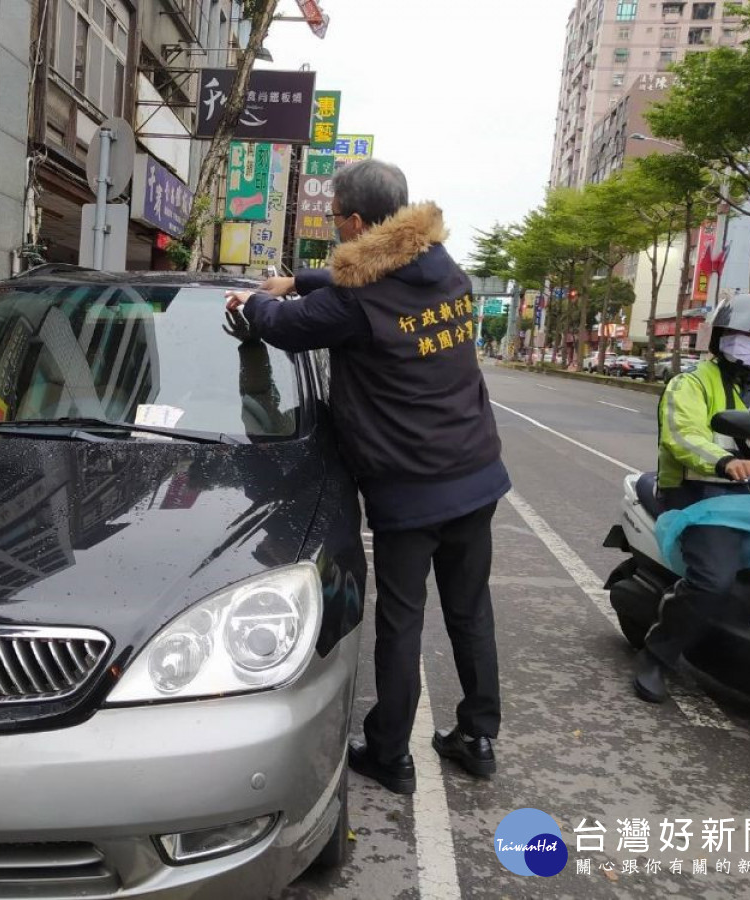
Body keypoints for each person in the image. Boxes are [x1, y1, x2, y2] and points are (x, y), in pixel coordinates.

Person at [224, 159, 510, 794]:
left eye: (335, 221)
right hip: (476, 473)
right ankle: (479, 736)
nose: (333, 230)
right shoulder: (445, 271)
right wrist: (298, 277)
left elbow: (288, 329)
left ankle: (389, 753)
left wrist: (254, 302)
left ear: (355, 221)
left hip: (411, 487)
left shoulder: (357, 302)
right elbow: (359, 281)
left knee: (402, 621)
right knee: (470, 610)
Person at [634, 293, 750, 702]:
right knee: (712, 580)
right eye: (732, 335)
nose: (739, 343)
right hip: (698, 496)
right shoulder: (691, 382)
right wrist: (725, 462)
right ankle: (657, 654)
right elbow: (682, 435)